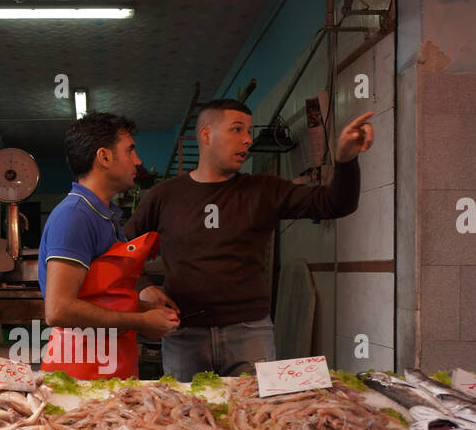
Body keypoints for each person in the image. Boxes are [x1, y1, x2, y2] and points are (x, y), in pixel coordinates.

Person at [127, 99, 373, 380]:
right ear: (206, 135)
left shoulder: (263, 190)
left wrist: (346, 160)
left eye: (247, 131)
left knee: (257, 418)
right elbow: (120, 252)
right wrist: (143, 287)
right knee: (188, 418)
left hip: (250, 333)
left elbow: (335, 203)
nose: (247, 139)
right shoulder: (164, 196)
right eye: (236, 130)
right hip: (183, 334)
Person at [37, 112, 180, 379]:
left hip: (110, 365)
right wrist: (140, 322)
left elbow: (103, 299)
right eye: (130, 151)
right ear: (104, 157)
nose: (138, 161)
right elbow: (59, 309)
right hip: (81, 373)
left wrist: (148, 311)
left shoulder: (103, 215)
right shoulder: (75, 215)